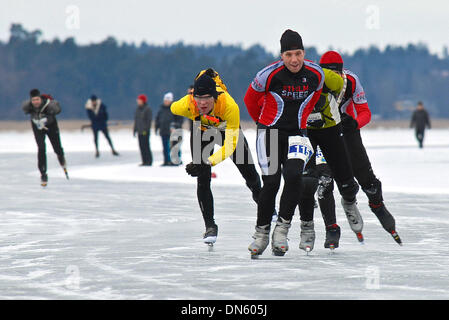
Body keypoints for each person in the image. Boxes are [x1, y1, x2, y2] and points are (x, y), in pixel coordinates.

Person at [298, 51, 402, 250]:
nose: (332, 79)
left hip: (346, 129)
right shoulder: (313, 79)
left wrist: (354, 124)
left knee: (366, 179)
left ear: (341, 71)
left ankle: (375, 204)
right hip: (320, 132)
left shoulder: (351, 81)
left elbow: (365, 111)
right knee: (325, 181)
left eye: (336, 74)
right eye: (328, 74)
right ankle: (332, 228)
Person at [244, 29, 329, 257]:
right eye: (289, 54)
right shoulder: (268, 75)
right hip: (270, 133)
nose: (294, 60)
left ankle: (281, 229)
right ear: (282, 55)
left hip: (297, 135)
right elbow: (250, 100)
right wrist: (261, 122)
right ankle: (261, 235)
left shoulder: (315, 74)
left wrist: (302, 119)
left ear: (304, 53)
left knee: (293, 177)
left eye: (298, 53)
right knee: (271, 183)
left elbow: (315, 96)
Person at [171, 69, 262, 245]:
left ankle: (265, 205)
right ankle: (210, 226)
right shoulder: (186, 104)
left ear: (215, 97)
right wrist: (202, 165)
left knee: (249, 172)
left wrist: (208, 161)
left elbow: (230, 146)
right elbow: (173, 107)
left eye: (207, 98)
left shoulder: (229, 106)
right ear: (193, 97)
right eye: (199, 98)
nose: (202, 103)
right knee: (202, 179)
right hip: (201, 131)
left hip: (226, 131)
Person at [22, 89, 68, 186]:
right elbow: (24, 110)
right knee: (41, 148)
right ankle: (43, 174)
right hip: (37, 127)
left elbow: (58, 110)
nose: (35, 102)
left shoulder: (49, 105)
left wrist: (53, 110)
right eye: (33, 100)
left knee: (57, 148)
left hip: (51, 126)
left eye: (37, 100)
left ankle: (61, 157)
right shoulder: (28, 106)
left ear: (40, 99)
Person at [155, 92, 178, 166]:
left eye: (167, 100)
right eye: (165, 100)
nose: (166, 101)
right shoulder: (161, 109)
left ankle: (175, 161)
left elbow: (179, 119)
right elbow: (157, 119)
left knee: (174, 147)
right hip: (163, 131)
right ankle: (166, 161)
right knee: (165, 147)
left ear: (170, 100)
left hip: (172, 131)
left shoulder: (175, 108)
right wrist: (156, 128)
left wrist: (175, 126)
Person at [133, 94, 153, 166]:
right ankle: (144, 161)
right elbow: (136, 120)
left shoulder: (147, 109)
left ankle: (149, 161)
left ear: (143, 101)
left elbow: (149, 121)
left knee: (146, 146)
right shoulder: (137, 109)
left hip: (145, 131)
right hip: (139, 131)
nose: (138, 101)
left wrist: (146, 129)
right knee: (141, 146)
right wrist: (135, 130)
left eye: (139, 100)